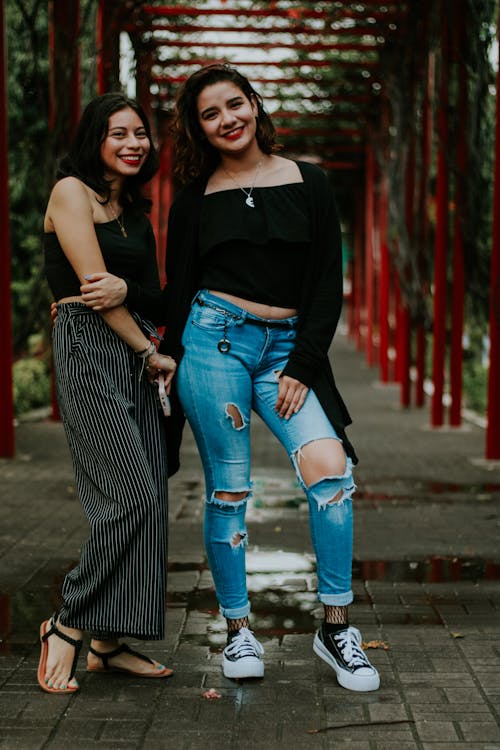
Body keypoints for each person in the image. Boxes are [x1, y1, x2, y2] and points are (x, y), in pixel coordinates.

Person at [86, 64, 380, 692]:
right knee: (230, 488)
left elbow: (328, 282)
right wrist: (126, 294)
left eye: (234, 104)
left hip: (286, 353)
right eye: (210, 114)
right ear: (200, 129)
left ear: (254, 104)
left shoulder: (312, 182)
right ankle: (238, 629)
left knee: (330, 468)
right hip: (213, 342)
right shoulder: (196, 199)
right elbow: (180, 287)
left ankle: (335, 627)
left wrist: (302, 365)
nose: (227, 120)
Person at [39, 92, 176, 695]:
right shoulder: (72, 192)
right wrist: (148, 349)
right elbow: (97, 292)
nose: (133, 143)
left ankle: (109, 639)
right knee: (128, 493)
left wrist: (137, 313)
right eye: (118, 132)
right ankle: (67, 622)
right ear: (95, 138)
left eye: (141, 133)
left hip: (137, 354)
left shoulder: (136, 215)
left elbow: (149, 296)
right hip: (92, 346)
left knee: (152, 499)